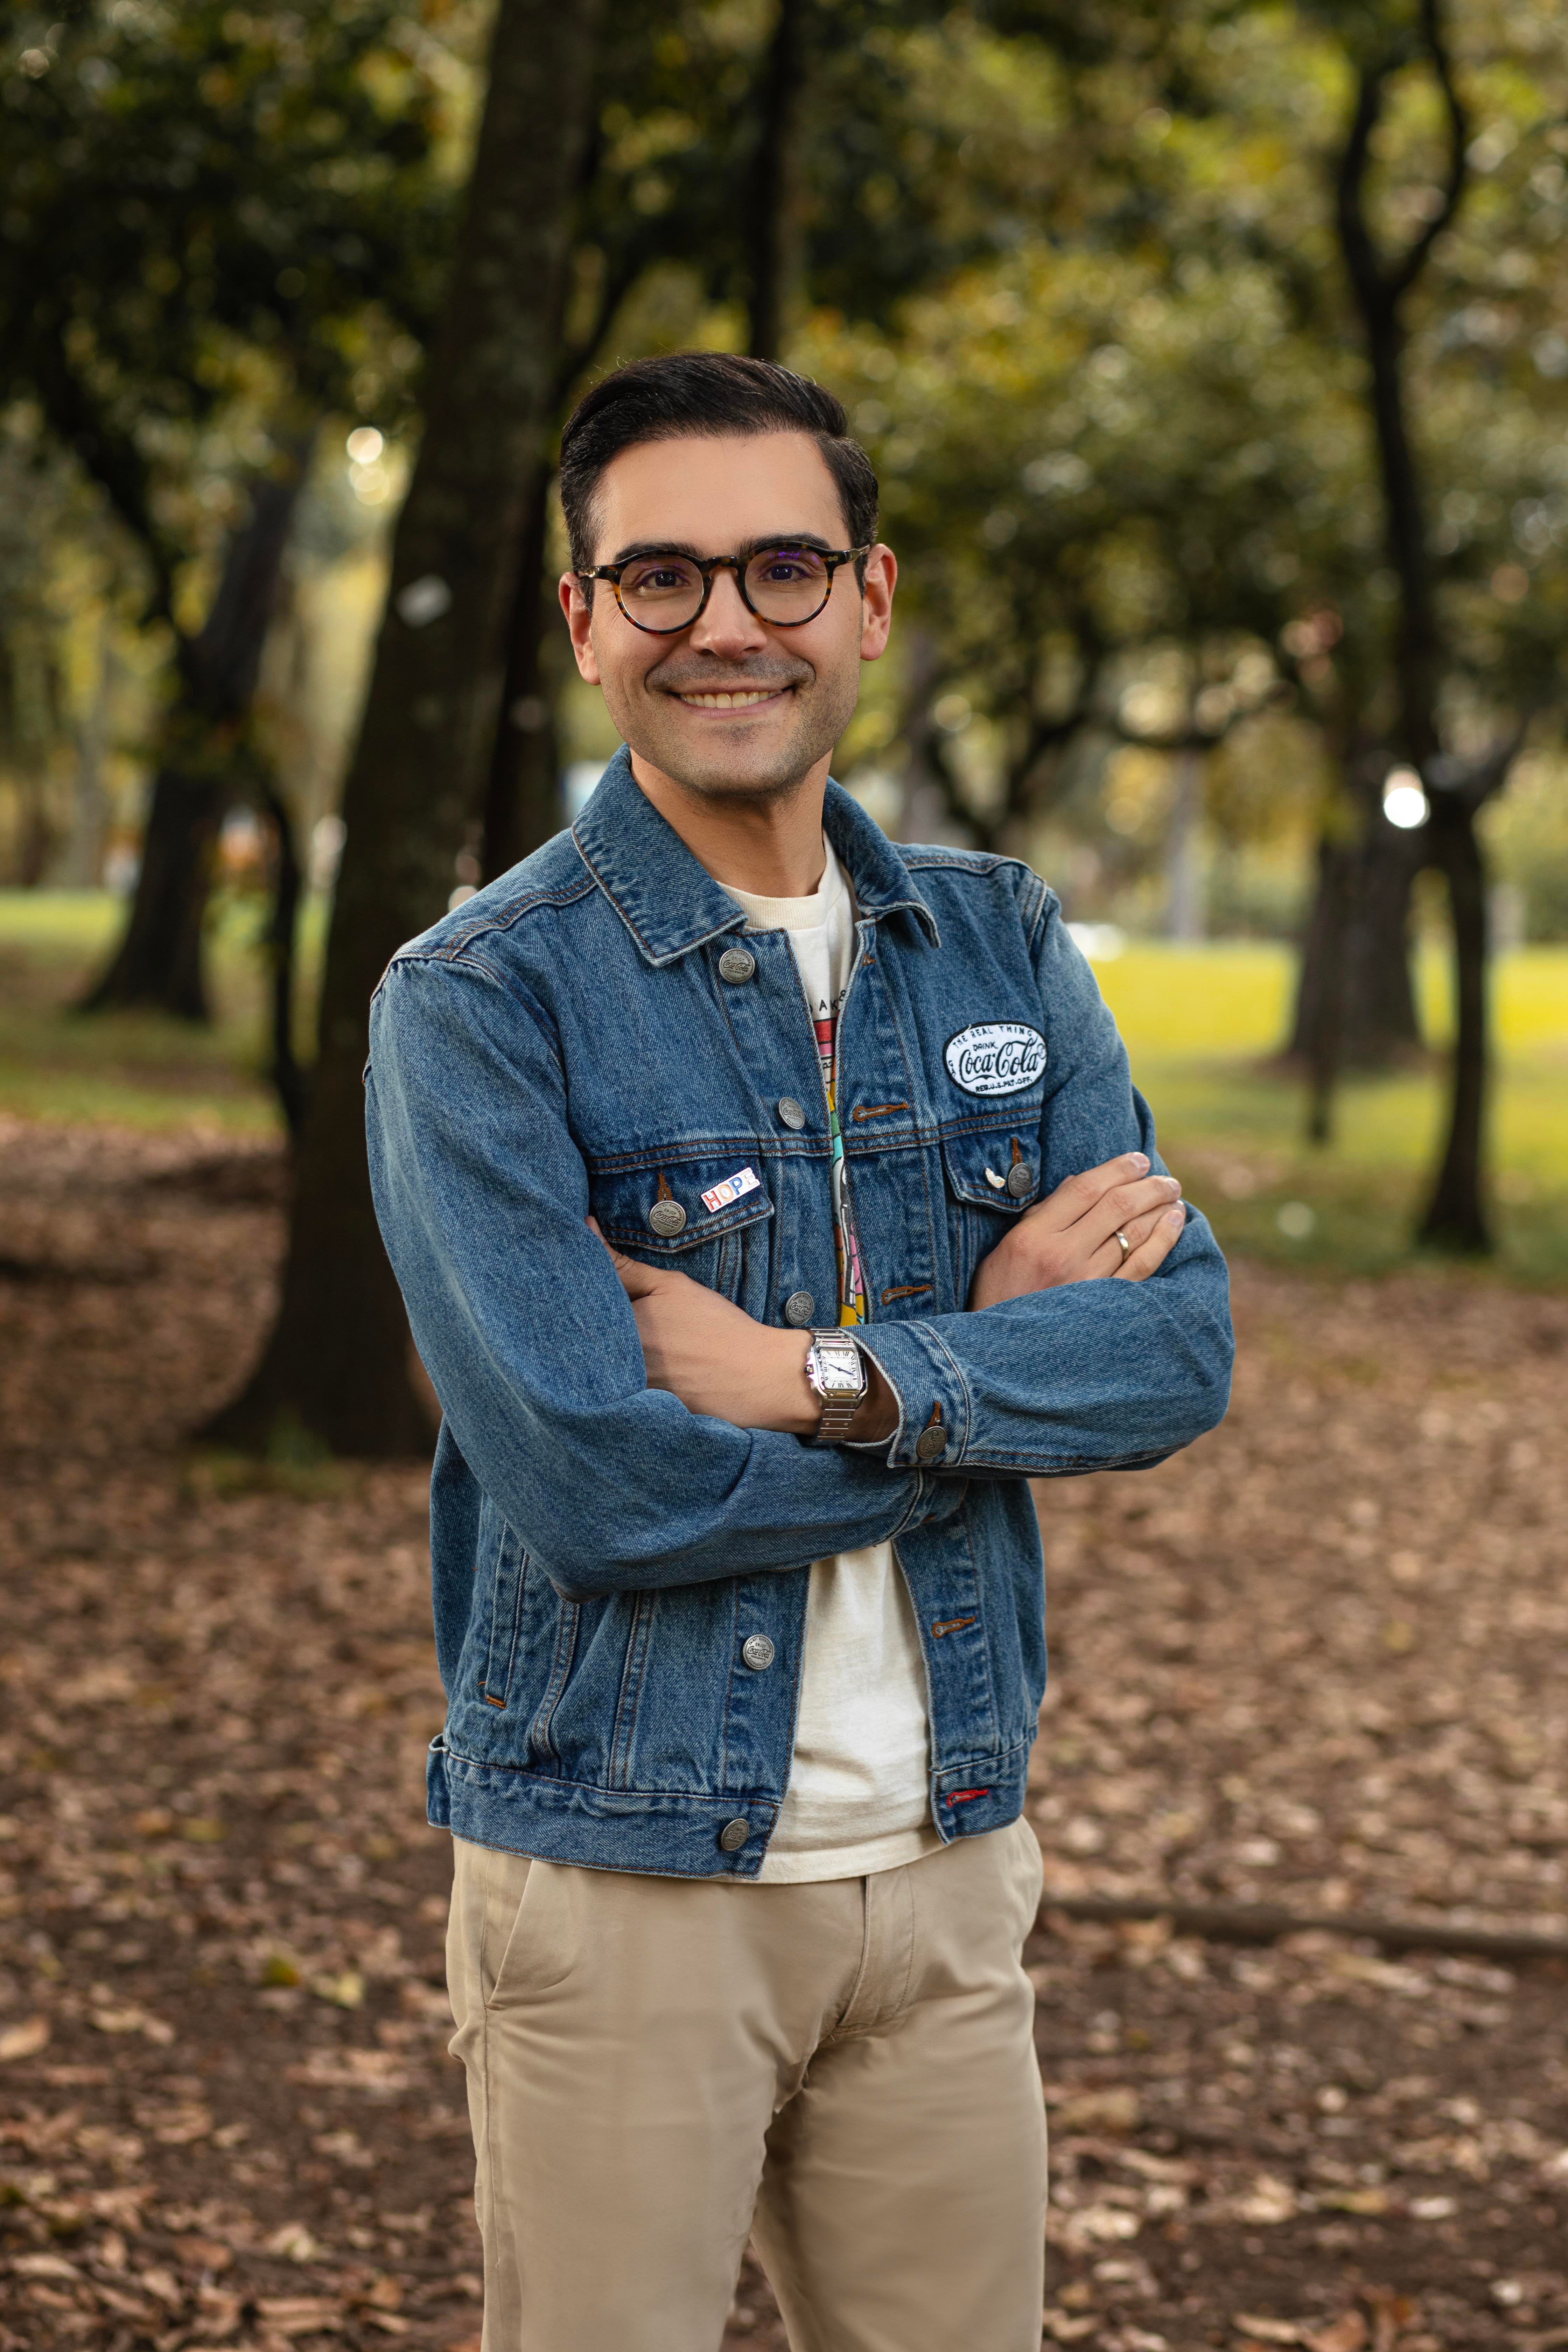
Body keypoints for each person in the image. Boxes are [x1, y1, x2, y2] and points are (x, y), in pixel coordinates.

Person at [365, 351, 1232, 2352]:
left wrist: (816, 1375)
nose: (727, 623)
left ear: (871, 597)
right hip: (626, 1881)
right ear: (581, 619)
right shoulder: (483, 1001)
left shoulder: (1000, 942)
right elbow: (595, 1483)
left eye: (781, 565)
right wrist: (984, 1376)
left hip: (948, 1870)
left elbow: (1178, 1353)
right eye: (659, 578)